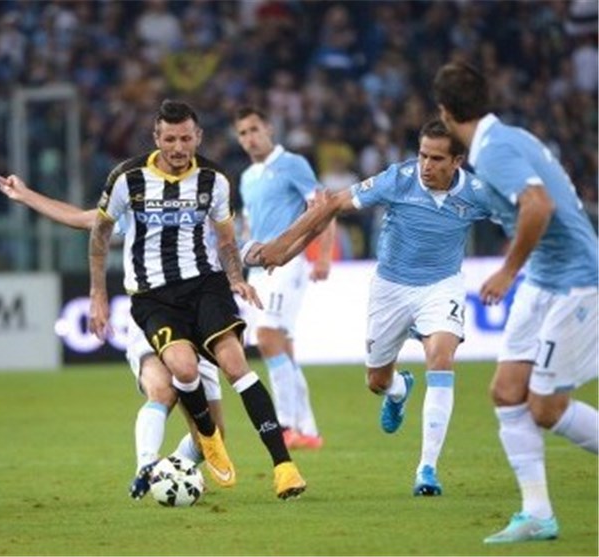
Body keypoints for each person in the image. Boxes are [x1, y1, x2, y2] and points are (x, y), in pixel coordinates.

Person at [249, 119, 495, 497]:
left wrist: (513, 269)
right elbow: (333, 203)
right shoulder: (398, 179)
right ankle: (398, 390)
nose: (426, 165)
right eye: (422, 155)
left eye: (436, 159)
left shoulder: (477, 193)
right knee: (377, 381)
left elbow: (524, 216)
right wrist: (283, 247)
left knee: (441, 359)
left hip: (442, 285)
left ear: (457, 161)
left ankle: (427, 469)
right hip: (391, 288)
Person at [88, 100, 306, 499]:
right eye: (170, 139)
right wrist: (98, 293)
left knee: (236, 363)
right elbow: (100, 233)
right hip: (153, 296)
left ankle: (284, 467)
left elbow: (226, 241)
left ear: (198, 137)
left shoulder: (214, 179)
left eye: (186, 138)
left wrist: (236, 279)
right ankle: (207, 437)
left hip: (205, 285)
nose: (178, 147)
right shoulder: (127, 178)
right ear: (156, 138)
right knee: (183, 368)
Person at [433, 61, 598, 544]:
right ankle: (537, 515)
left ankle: (539, 513)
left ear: (445, 112)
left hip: (575, 282)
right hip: (546, 279)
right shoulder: (509, 137)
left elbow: (539, 204)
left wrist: (507, 269)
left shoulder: (496, 150)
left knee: (546, 407)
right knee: (507, 391)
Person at [0, 172, 223, 500]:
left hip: (199, 321)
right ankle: (146, 466)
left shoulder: (211, 206)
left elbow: (238, 247)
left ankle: (172, 471)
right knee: (162, 390)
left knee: (211, 438)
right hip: (153, 314)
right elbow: (81, 219)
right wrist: (27, 195)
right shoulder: (142, 208)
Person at [234, 106, 334, 450]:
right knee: (283, 348)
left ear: (269, 129)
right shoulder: (247, 177)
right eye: (243, 133)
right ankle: (308, 430)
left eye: (254, 130)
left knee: (267, 337)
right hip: (258, 269)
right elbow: (249, 229)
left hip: (287, 263)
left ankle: (286, 425)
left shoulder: (292, 163)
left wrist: (323, 255)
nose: (249, 138)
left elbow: (323, 206)